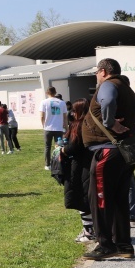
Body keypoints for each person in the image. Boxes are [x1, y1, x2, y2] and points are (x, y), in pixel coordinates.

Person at [82, 58, 135, 261]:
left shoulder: (108, 85)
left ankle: (105, 245)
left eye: (96, 72)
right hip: (124, 152)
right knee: (119, 200)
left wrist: (111, 124)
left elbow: (108, 101)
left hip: (108, 152)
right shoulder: (127, 88)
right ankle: (123, 245)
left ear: (103, 71)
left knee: (100, 198)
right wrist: (133, 135)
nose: (96, 76)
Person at [58, 99, 94, 242]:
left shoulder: (79, 125)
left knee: (81, 197)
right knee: (89, 197)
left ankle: (89, 231)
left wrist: (62, 150)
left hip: (81, 166)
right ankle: (93, 229)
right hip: (92, 163)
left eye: (74, 110)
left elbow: (73, 147)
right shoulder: (92, 122)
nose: (72, 113)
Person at [40, 87, 67, 170]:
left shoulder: (44, 102)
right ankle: (59, 163)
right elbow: (65, 117)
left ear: (47, 93)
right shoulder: (62, 102)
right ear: (55, 92)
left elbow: (42, 116)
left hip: (48, 128)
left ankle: (47, 165)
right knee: (59, 146)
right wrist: (66, 127)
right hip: (59, 128)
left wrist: (43, 125)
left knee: (47, 147)